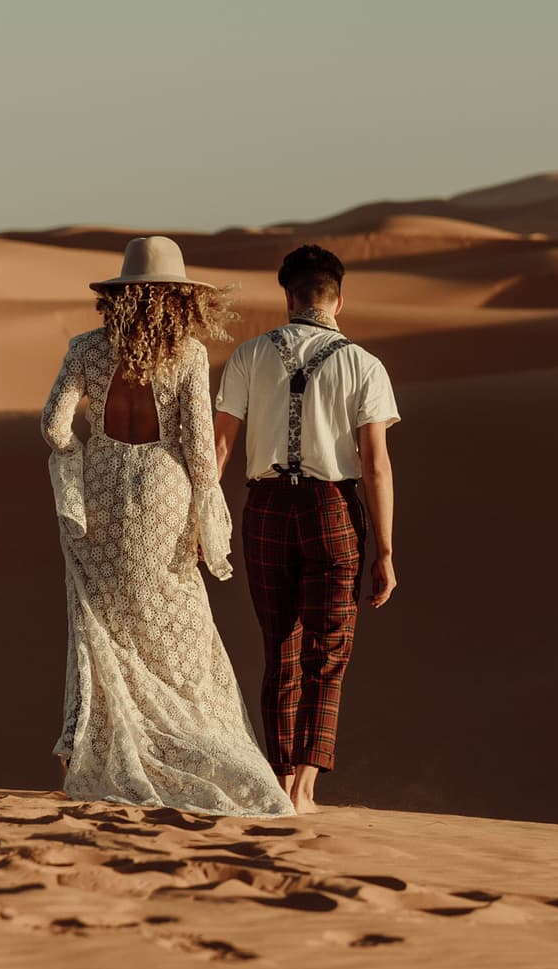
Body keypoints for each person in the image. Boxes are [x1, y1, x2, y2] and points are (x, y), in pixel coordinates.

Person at [40, 235, 292, 816]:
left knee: (101, 628)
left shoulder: (85, 349)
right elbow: (202, 453)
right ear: (178, 299)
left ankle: (92, 758)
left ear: (120, 295)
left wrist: (77, 461)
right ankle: (208, 755)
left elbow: (55, 426)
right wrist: (209, 521)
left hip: (100, 501)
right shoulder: (189, 355)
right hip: (164, 499)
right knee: (179, 640)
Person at [213, 244, 400, 813]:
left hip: (265, 509)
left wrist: (203, 513)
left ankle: (279, 772)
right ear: (339, 298)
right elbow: (374, 464)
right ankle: (306, 786)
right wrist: (386, 550)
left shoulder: (248, 356)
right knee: (329, 651)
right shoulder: (363, 365)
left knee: (281, 649)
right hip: (333, 511)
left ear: (287, 296)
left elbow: (219, 445)